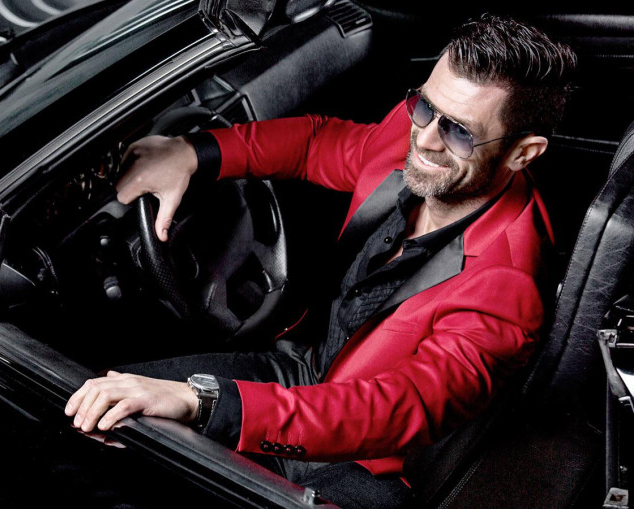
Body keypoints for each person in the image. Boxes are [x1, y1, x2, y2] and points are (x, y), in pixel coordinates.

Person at [65, 13, 577, 508]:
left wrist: (206, 402)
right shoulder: (419, 131)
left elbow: (399, 406)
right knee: (100, 407)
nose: (423, 139)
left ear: (523, 153)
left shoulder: (509, 289)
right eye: (423, 105)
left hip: (370, 465)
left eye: (459, 133)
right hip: (302, 373)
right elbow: (317, 143)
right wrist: (194, 152)